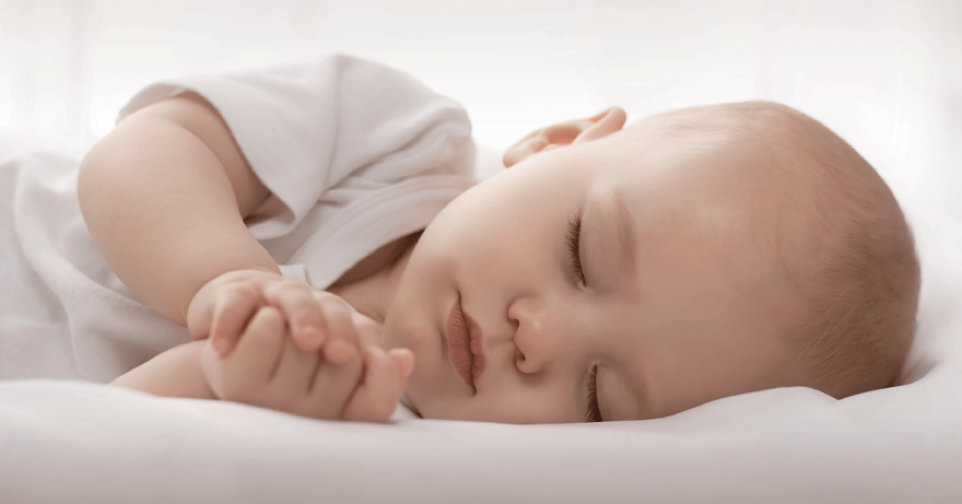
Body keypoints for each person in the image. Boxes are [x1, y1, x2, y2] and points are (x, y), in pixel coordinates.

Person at [2, 54, 920, 424]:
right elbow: (143, 153)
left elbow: (103, 431)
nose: (542, 338)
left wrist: (225, 377)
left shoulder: (393, 435)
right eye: (582, 254)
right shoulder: (394, 140)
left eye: (599, 398)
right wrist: (226, 283)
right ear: (556, 143)